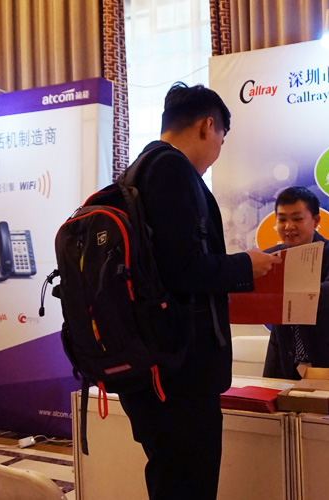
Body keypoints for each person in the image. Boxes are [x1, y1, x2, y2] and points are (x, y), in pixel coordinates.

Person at [116, 82, 280, 500]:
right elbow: (184, 269)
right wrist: (246, 265)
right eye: (222, 138)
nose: (218, 149)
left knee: (171, 478)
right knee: (190, 483)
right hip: (180, 371)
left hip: (152, 362)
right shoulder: (172, 171)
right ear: (208, 126)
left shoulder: (136, 172)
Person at [262, 186, 329, 384]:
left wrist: (287, 291)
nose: (289, 226)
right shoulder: (269, 257)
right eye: (282, 219)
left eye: (297, 219)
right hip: (282, 364)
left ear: (316, 220)